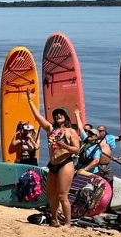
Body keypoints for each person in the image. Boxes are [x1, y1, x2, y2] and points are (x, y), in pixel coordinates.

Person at [26, 90, 81, 228]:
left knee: (62, 195)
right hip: (53, 164)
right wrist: (29, 100)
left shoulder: (71, 131)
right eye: (56, 114)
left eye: (61, 114)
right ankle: (54, 220)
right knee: (51, 195)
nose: (58, 115)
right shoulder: (51, 130)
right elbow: (37, 117)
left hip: (65, 163)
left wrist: (66, 146)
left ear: (66, 117)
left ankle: (67, 223)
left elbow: (77, 149)